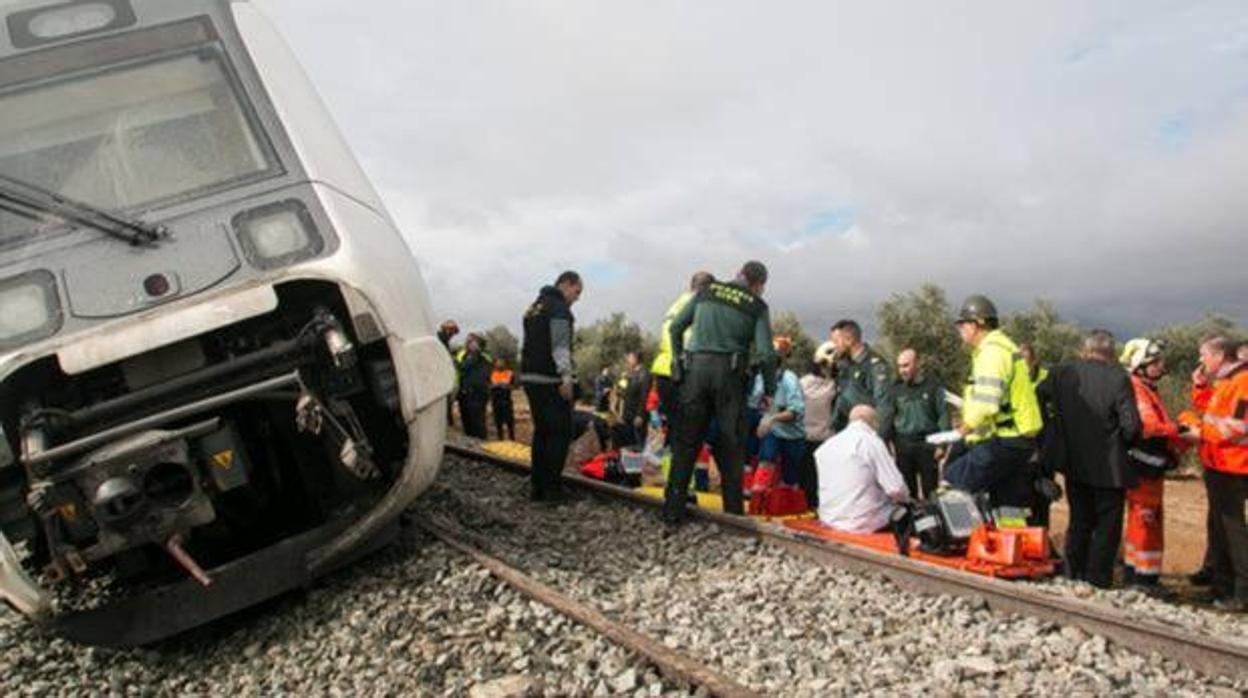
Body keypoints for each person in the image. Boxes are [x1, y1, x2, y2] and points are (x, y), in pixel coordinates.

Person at [663, 261, 777, 527]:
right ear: (759, 285)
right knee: (731, 446)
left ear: (739, 274)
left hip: (695, 372)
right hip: (730, 377)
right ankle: (733, 515)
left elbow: (676, 326)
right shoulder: (756, 305)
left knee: (686, 443)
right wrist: (769, 388)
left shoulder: (707, 291)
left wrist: (678, 361)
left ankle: (672, 510)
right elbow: (767, 353)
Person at [1042, 330, 1142, 589]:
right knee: (1107, 525)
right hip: (1110, 465)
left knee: (1080, 520)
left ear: (1085, 350)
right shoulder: (1119, 377)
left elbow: (1038, 398)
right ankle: (1098, 578)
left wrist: (1054, 429)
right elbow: (1131, 426)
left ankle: (1072, 573)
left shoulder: (1061, 373)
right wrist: (1125, 443)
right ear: (1111, 353)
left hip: (1074, 461)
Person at [943, 295, 1044, 513]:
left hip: (1008, 439)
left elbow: (987, 402)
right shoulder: (1003, 347)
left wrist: (963, 429)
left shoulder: (991, 352)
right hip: (1019, 439)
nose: (959, 329)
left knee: (954, 478)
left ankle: (960, 539)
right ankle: (1011, 541)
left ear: (977, 324)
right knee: (1006, 504)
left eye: (962, 324)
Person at [1181, 336, 1248, 610]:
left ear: (1220, 355)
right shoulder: (1227, 380)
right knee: (1220, 528)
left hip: (1234, 466)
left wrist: (1198, 432)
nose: (1201, 360)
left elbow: (1235, 427)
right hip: (1219, 464)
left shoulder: (1242, 382)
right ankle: (1222, 585)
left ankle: (1242, 592)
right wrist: (1199, 386)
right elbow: (1213, 409)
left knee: (1234, 530)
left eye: (1204, 355)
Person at [1119, 338, 1188, 591]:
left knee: (1145, 519)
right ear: (1140, 364)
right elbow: (1147, 427)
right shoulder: (1137, 389)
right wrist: (1178, 429)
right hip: (1143, 467)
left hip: (1148, 465)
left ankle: (1138, 574)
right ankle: (1142, 579)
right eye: (1155, 362)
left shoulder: (1145, 388)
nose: (1160, 366)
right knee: (1145, 520)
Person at [520, 271, 584, 503]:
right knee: (559, 433)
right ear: (566, 284)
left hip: (530, 377)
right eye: (576, 292)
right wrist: (566, 377)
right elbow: (560, 346)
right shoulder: (558, 309)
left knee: (542, 432)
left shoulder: (534, 307)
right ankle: (552, 491)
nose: (576, 299)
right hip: (550, 380)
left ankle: (537, 487)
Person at [815, 405, 910, 533]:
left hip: (828, 517)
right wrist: (909, 500)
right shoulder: (871, 442)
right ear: (874, 423)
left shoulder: (825, 447)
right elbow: (896, 488)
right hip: (862, 522)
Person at [651, 272, 715, 442]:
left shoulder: (675, 304)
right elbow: (689, 340)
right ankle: (682, 467)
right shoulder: (700, 304)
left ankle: (669, 465)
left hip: (664, 370)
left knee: (674, 428)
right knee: (688, 432)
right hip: (682, 372)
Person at [892, 348, 950, 500]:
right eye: (899, 366)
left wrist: (942, 445)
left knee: (930, 491)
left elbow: (943, 415)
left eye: (906, 365)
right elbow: (889, 417)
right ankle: (911, 522)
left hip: (927, 445)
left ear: (917, 364)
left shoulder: (934, 386)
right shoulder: (895, 388)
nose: (902, 370)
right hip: (903, 446)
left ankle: (933, 521)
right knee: (906, 492)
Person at [752, 337, 807, 492]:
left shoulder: (789, 379)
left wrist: (772, 418)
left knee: (790, 478)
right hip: (773, 431)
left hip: (792, 435)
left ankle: (787, 502)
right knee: (766, 461)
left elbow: (796, 411)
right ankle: (758, 500)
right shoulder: (759, 379)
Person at [828, 319, 894, 440]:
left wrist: (879, 441)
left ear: (849, 339)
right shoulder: (844, 365)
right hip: (847, 433)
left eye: (836, 342)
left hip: (867, 436)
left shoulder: (875, 365)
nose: (834, 347)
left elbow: (885, 407)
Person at [798, 342, 839, 507]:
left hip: (814, 438)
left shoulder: (802, 383)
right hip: (819, 439)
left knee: (811, 480)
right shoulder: (833, 386)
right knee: (814, 480)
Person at [455, 333, 492, 439]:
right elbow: (459, 368)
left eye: (471, 341)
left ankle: (481, 448)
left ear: (479, 344)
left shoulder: (485, 357)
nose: (467, 343)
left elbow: (466, 367)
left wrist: (475, 353)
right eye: (467, 340)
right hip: (464, 395)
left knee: (478, 425)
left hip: (477, 395)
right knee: (467, 424)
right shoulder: (464, 355)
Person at [614, 351, 650, 449]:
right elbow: (621, 391)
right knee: (628, 442)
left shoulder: (645, 374)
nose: (627, 361)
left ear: (636, 359)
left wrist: (640, 415)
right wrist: (621, 381)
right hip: (627, 414)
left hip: (637, 414)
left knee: (638, 442)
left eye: (629, 358)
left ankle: (639, 461)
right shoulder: (629, 374)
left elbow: (645, 396)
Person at [489, 357, 517, 441]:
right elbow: (487, 385)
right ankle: (500, 438)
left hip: (506, 400)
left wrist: (506, 386)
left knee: (509, 421)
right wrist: (494, 386)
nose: (499, 364)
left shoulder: (510, 373)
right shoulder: (491, 373)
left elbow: (514, 386)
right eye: (498, 362)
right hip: (495, 399)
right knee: (498, 421)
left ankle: (512, 438)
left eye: (502, 362)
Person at [438, 320, 460, 426]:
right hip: (439, 378)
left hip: (444, 378)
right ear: (445, 329)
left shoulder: (445, 341)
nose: (452, 334)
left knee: (447, 405)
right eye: (451, 331)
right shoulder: (440, 339)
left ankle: (449, 423)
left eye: (454, 332)